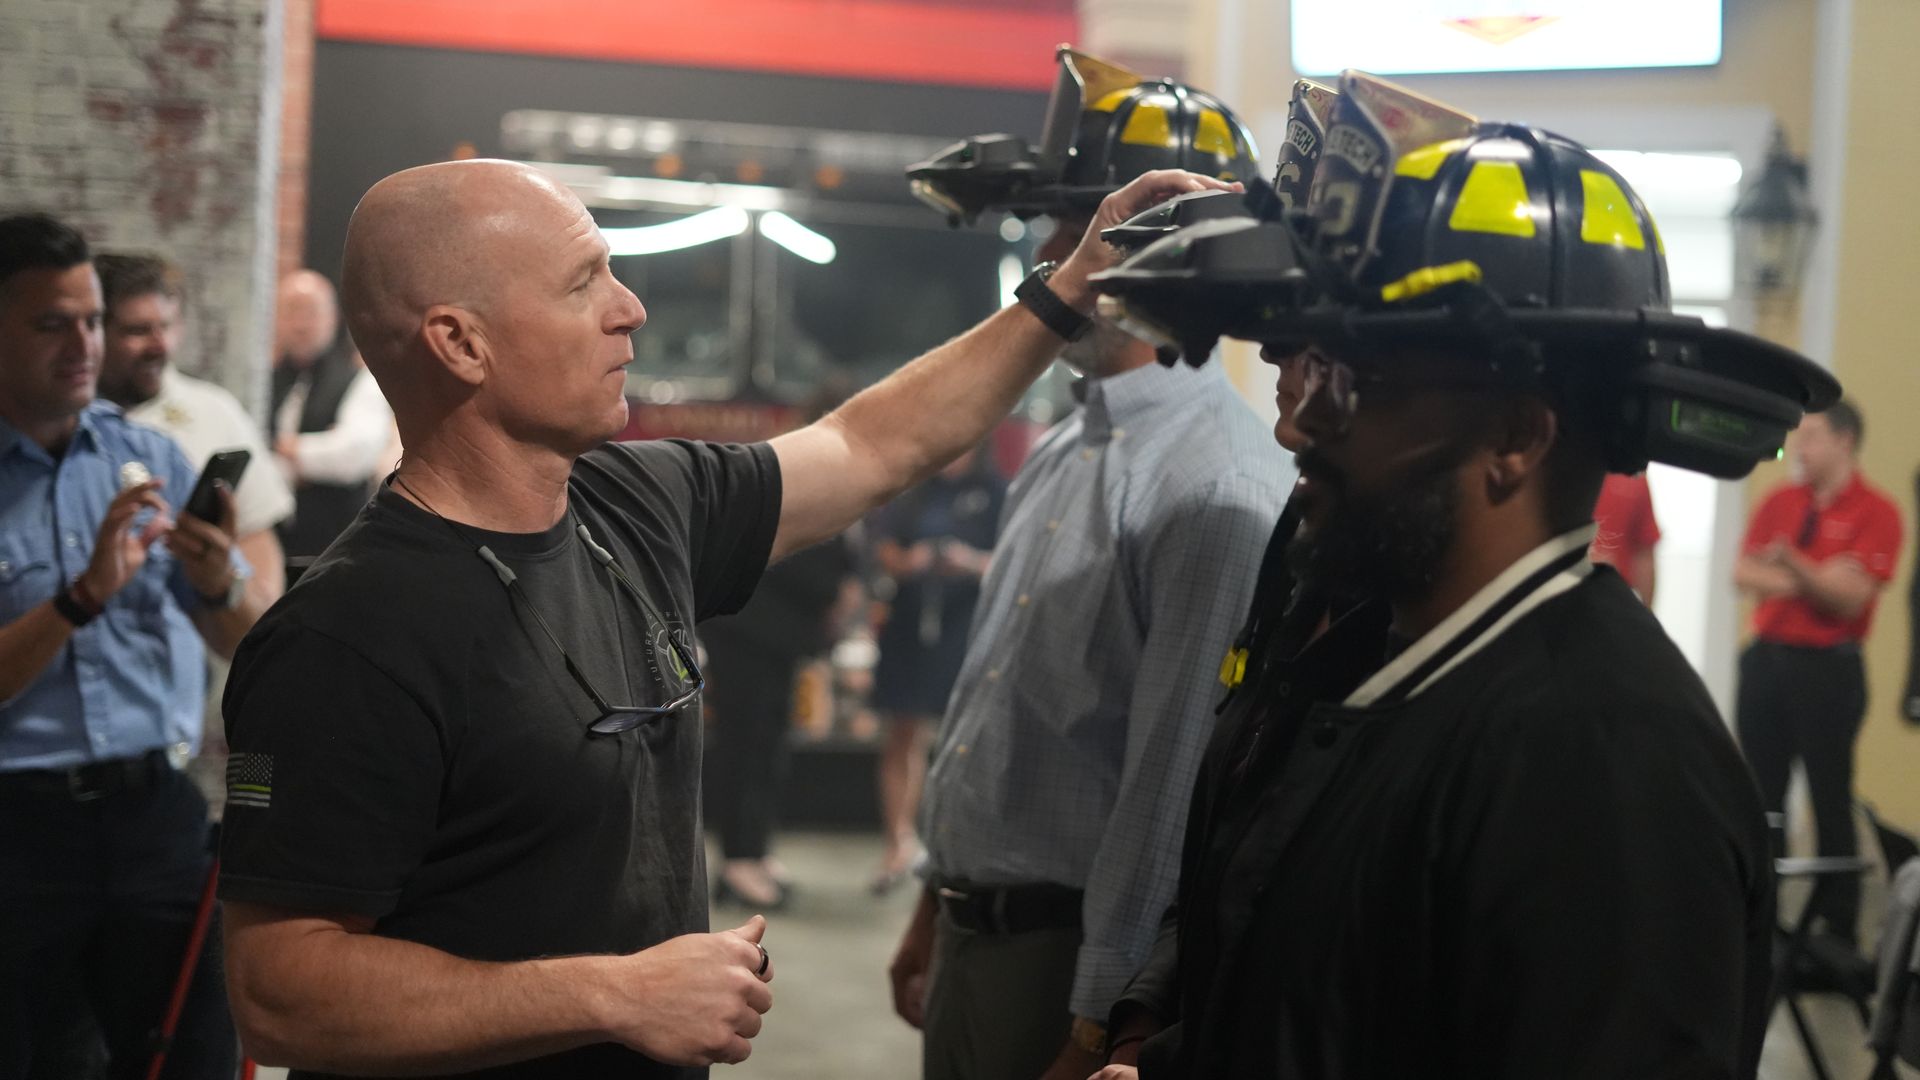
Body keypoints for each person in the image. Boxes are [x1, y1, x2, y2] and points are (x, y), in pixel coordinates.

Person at [214, 158, 1233, 1080]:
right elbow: (281, 991)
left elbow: (874, 444)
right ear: (461, 342)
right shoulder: (346, 636)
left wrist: (1063, 291)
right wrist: (610, 994)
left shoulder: (634, 503)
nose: (631, 309)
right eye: (584, 286)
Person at [1086, 72, 1841, 1078]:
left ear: (1517, 438)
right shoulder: (1384, 664)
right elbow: (1327, 1005)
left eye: (1357, 383)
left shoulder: (1605, 762)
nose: (1295, 421)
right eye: (1310, 373)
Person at [895, 48, 1291, 1080]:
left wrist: (1101, 1014)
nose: (1061, 263)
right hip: (980, 931)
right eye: (1063, 229)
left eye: (1098, 233)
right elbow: (993, 704)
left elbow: (1170, 789)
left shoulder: (1220, 491)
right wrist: (936, 901)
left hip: (1064, 962)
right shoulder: (1068, 444)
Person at [0, 213, 265, 1079]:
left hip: (153, 812)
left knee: (191, 1057)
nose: (84, 344)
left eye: (91, 320)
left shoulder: (147, 458)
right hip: (19, 831)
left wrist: (220, 578)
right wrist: (83, 599)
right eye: (52, 324)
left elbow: (241, 640)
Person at [1735, 400, 1903, 949]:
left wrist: (1790, 565)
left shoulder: (1878, 511)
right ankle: (1761, 923)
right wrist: (1815, 578)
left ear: (1845, 440)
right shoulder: (1780, 501)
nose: (1799, 448)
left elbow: (1850, 600)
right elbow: (1741, 572)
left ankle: (1836, 932)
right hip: (1767, 659)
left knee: (1830, 797)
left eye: (1811, 436)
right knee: (1762, 795)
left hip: (1828, 671)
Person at [96, 252, 294, 612]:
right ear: (96, 331)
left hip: (198, 643)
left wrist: (255, 634)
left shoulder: (213, 411)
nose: (160, 347)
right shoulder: (62, 422)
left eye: (167, 326)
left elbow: (256, 536)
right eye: (137, 330)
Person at [867, 445, 1006, 894]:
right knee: (902, 735)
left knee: (965, 739)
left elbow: (1013, 560)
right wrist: (913, 562)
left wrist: (968, 562)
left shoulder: (994, 489)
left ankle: (958, 846)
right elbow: (884, 548)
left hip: (965, 627)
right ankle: (898, 844)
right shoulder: (914, 485)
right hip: (909, 627)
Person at [269, 268, 393, 577]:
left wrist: (285, 451)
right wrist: (307, 457)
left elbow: (353, 455)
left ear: (332, 317)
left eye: (310, 312)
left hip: (337, 549)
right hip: (274, 546)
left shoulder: (359, 380)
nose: (300, 324)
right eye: (291, 312)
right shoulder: (264, 380)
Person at [1589, 471, 1660, 604]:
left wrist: (1643, 617)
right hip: (1569, 597)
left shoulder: (1635, 478)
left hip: (1616, 599)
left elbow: (1644, 555)